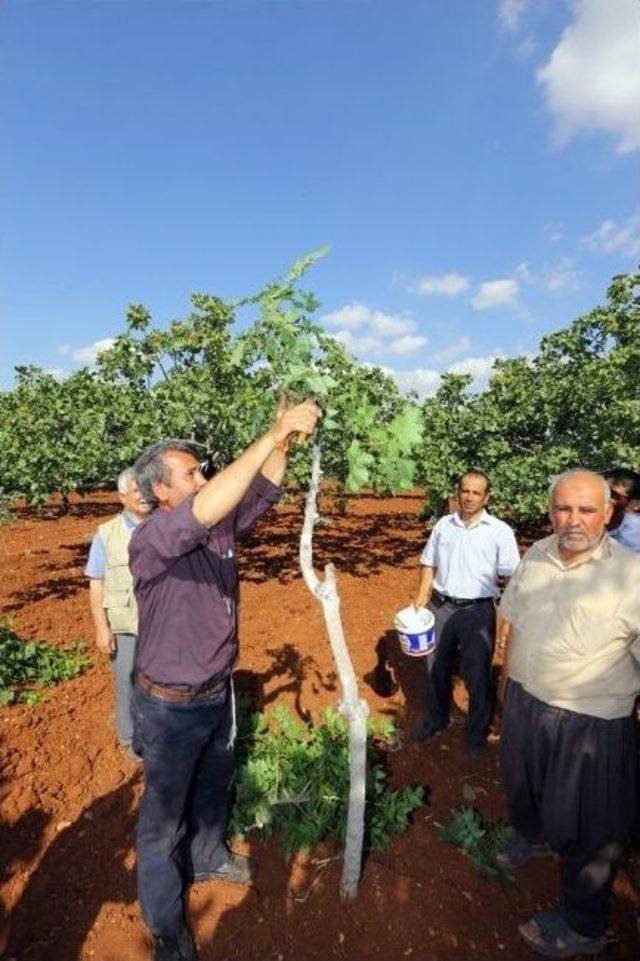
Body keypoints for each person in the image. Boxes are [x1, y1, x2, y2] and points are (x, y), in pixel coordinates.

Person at [129, 399, 320, 961]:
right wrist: (272, 429)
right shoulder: (154, 539)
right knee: (162, 825)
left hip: (217, 693)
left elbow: (260, 490)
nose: (203, 478)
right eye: (190, 473)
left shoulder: (214, 531)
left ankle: (210, 855)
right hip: (170, 707)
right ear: (161, 492)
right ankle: (166, 931)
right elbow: (208, 507)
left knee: (214, 786)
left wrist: (282, 445)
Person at [497, 468, 640, 958]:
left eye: (585, 510)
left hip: (590, 724)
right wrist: (505, 687)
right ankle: (533, 837)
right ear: (550, 511)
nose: (572, 520)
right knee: (522, 786)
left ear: (608, 513)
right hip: (524, 701)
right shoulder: (536, 554)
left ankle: (584, 926)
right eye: (563, 508)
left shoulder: (631, 575)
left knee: (590, 827)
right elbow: (512, 621)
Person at [412, 469, 520, 759]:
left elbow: (511, 580)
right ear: (457, 493)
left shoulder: (500, 531)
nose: (469, 497)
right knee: (435, 667)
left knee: (477, 675)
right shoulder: (443, 526)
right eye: (465, 490)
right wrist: (422, 595)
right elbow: (428, 562)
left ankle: (476, 732)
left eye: (476, 492)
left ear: (487, 497)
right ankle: (437, 718)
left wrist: (507, 621)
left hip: (477, 612)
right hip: (441, 607)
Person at [85, 466, 151, 756]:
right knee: (127, 681)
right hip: (125, 624)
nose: (144, 495)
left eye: (147, 488)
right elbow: (96, 583)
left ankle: (158, 734)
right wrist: (102, 627)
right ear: (122, 497)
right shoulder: (106, 534)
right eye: (137, 490)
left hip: (162, 623)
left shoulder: (167, 526)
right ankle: (128, 739)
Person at [603, 467, 640, 553]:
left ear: (632, 504)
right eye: (602, 488)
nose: (603, 496)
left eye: (613, 494)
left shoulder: (634, 541)